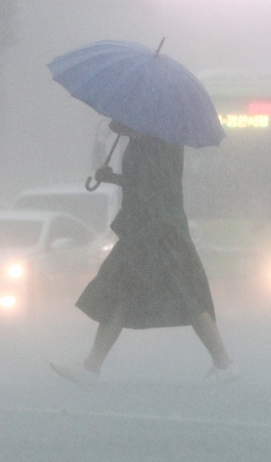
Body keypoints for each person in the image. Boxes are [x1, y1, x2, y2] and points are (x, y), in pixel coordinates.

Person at [51, 120, 236, 384]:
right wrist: (113, 177)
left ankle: (224, 363)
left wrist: (114, 177)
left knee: (181, 295)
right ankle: (91, 367)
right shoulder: (153, 140)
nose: (116, 122)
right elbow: (145, 183)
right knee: (125, 295)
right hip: (150, 229)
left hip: (155, 232)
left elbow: (150, 185)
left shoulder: (158, 143)